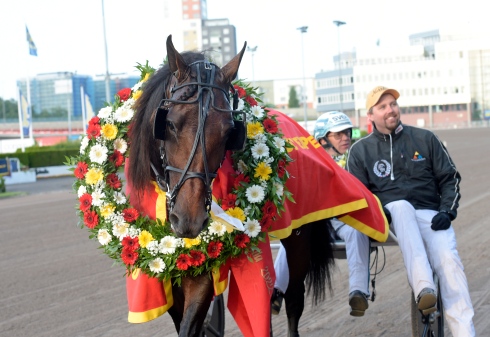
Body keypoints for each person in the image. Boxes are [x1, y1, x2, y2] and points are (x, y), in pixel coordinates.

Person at [346, 86, 475, 336]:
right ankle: (424, 287)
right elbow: (358, 195)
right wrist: (379, 214)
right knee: (401, 207)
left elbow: (450, 178)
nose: (390, 110)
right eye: (382, 107)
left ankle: (464, 332)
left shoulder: (425, 138)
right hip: (388, 218)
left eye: (393, 104)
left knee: (450, 262)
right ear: (370, 116)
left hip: (429, 215)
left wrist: (447, 211)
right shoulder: (360, 151)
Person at [271, 111, 371, 317]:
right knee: (293, 235)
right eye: (338, 134)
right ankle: (277, 291)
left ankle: (358, 291)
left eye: (347, 133)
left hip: (346, 221)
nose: (346, 138)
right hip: (317, 222)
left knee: (357, 233)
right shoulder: (310, 163)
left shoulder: (356, 158)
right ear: (322, 139)